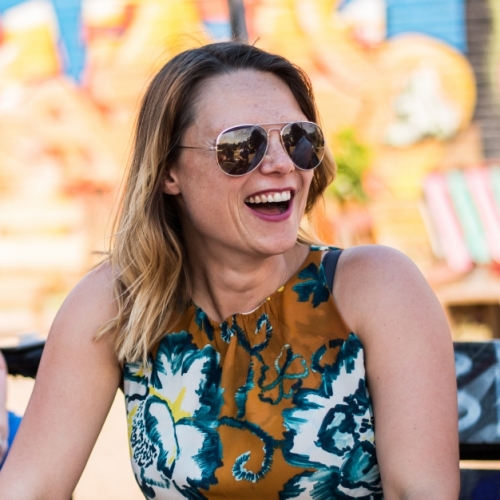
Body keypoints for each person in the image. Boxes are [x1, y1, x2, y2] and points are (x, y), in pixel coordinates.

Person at [0, 41, 459, 499]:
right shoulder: (120, 302)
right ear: (168, 172)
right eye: (242, 146)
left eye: (299, 139)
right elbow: (31, 488)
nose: (281, 165)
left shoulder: (375, 287)